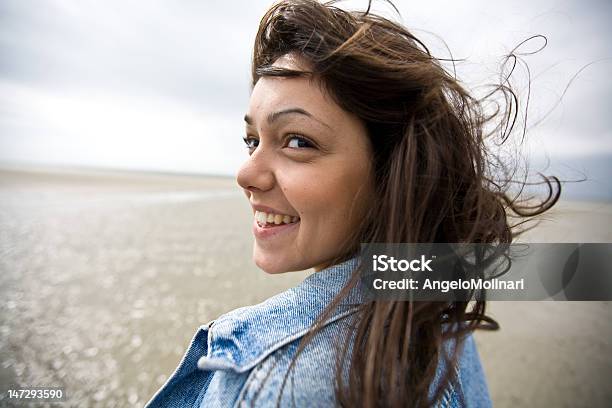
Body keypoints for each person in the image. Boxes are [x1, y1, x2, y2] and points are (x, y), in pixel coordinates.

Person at [145, 0, 559, 407]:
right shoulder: (429, 296)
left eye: (297, 141)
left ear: (392, 173)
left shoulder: (270, 377)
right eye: (252, 141)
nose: (246, 174)